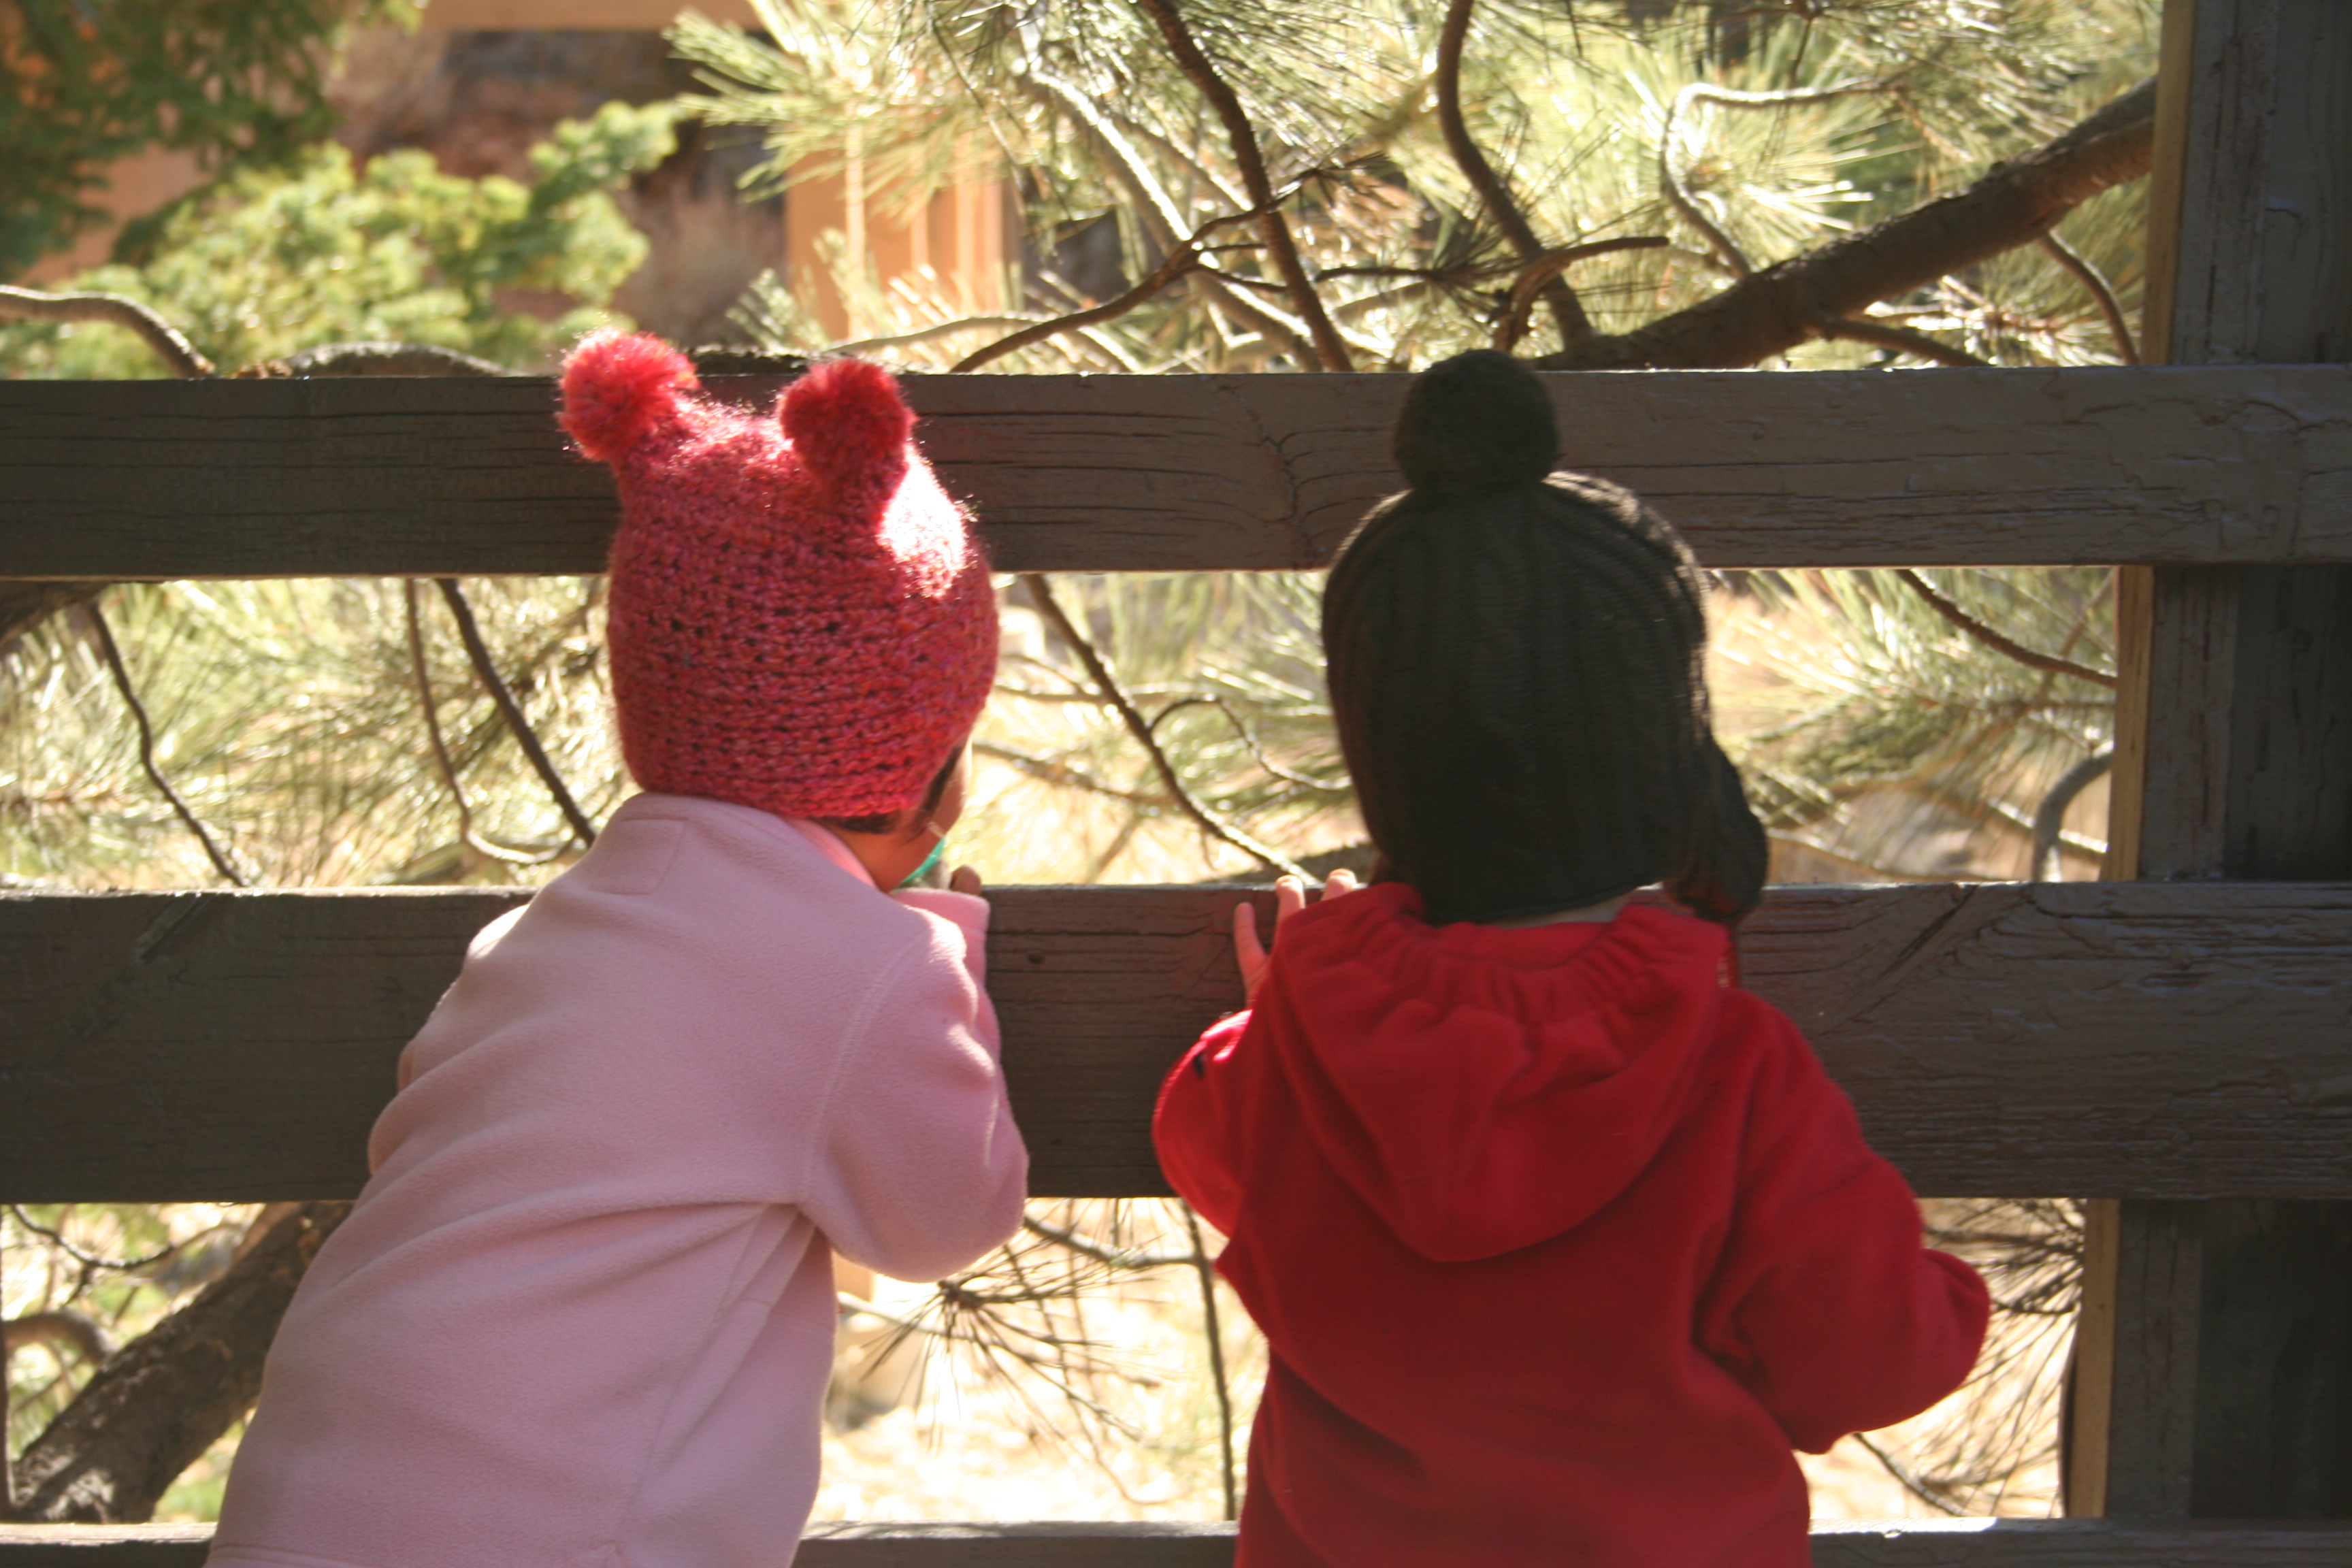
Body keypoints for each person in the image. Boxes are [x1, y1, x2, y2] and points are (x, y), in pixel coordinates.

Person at [1153, 350, 1989, 1567]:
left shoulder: (1305, 1046)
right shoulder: (1731, 1068)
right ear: (1659, 766)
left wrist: (1293, 1013)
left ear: (1383, 759)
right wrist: (1953, 1298)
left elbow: (1206, 1152)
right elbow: (1869, 1358)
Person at [207, 333, 1027, 1568]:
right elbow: (946, 1220)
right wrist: (941, 939)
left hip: (305, 1503)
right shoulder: (869, 969)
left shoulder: (538, 935)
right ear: (931, 773)